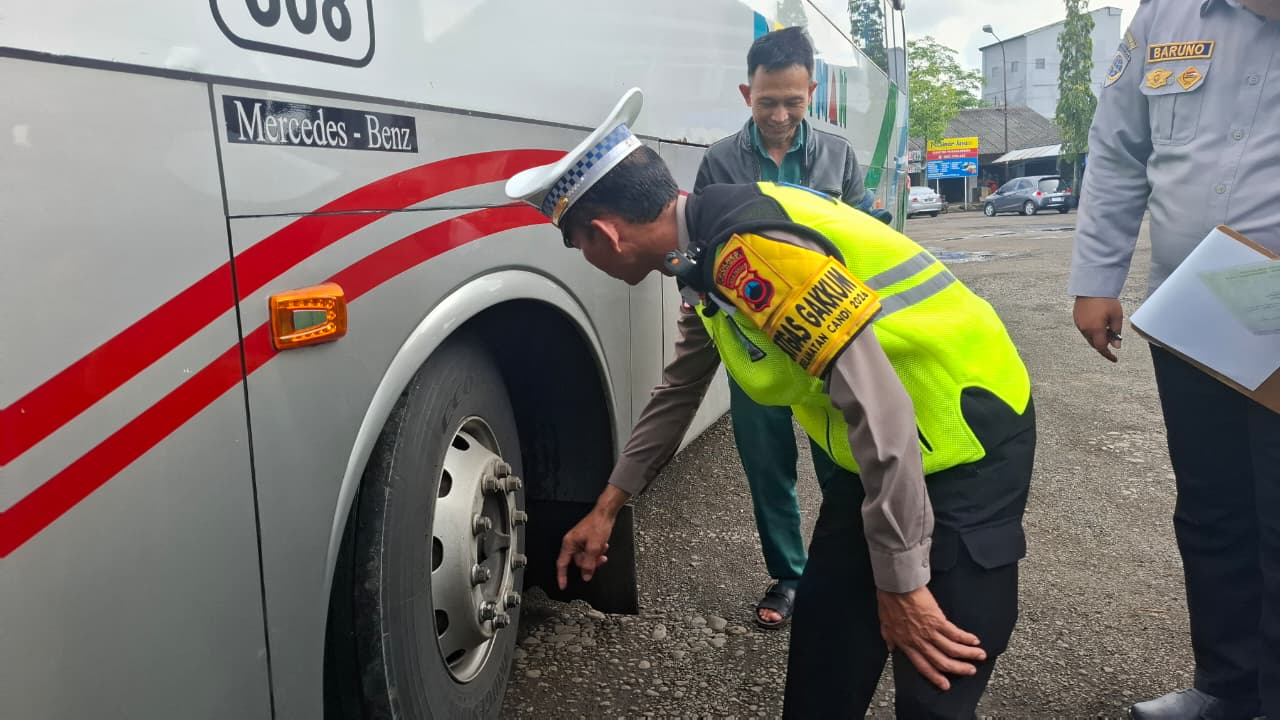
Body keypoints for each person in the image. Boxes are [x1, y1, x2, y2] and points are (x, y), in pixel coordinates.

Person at [506, 87, 1036, 717]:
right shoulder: (698, 254)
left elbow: (881, 407)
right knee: (823, 669)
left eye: (579, 247)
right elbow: (680, 388)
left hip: (962, 438)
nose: (586, 260)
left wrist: (903, 582)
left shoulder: (749, 256)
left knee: (933, 685)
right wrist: (608, 506)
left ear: (604, 234)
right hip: (872, 463)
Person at [1068, 1, 1280, 717]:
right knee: (1214, 506)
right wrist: (1097, 279)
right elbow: (1119, 148)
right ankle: (1228, 687)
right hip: (1200, 305)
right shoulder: (1165, 14)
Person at [693, 25, 870, 629]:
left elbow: (865, 242)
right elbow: (700, 249)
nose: (780, 114)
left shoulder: (839, 157)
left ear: (811, 92)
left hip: (824, 339)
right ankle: (790, 576)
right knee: (766, 462)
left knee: (840, 458)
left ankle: (839, 570)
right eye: (768, 101)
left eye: (793, 102)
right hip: (753, 342)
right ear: (748, 93)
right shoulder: (718, 161)